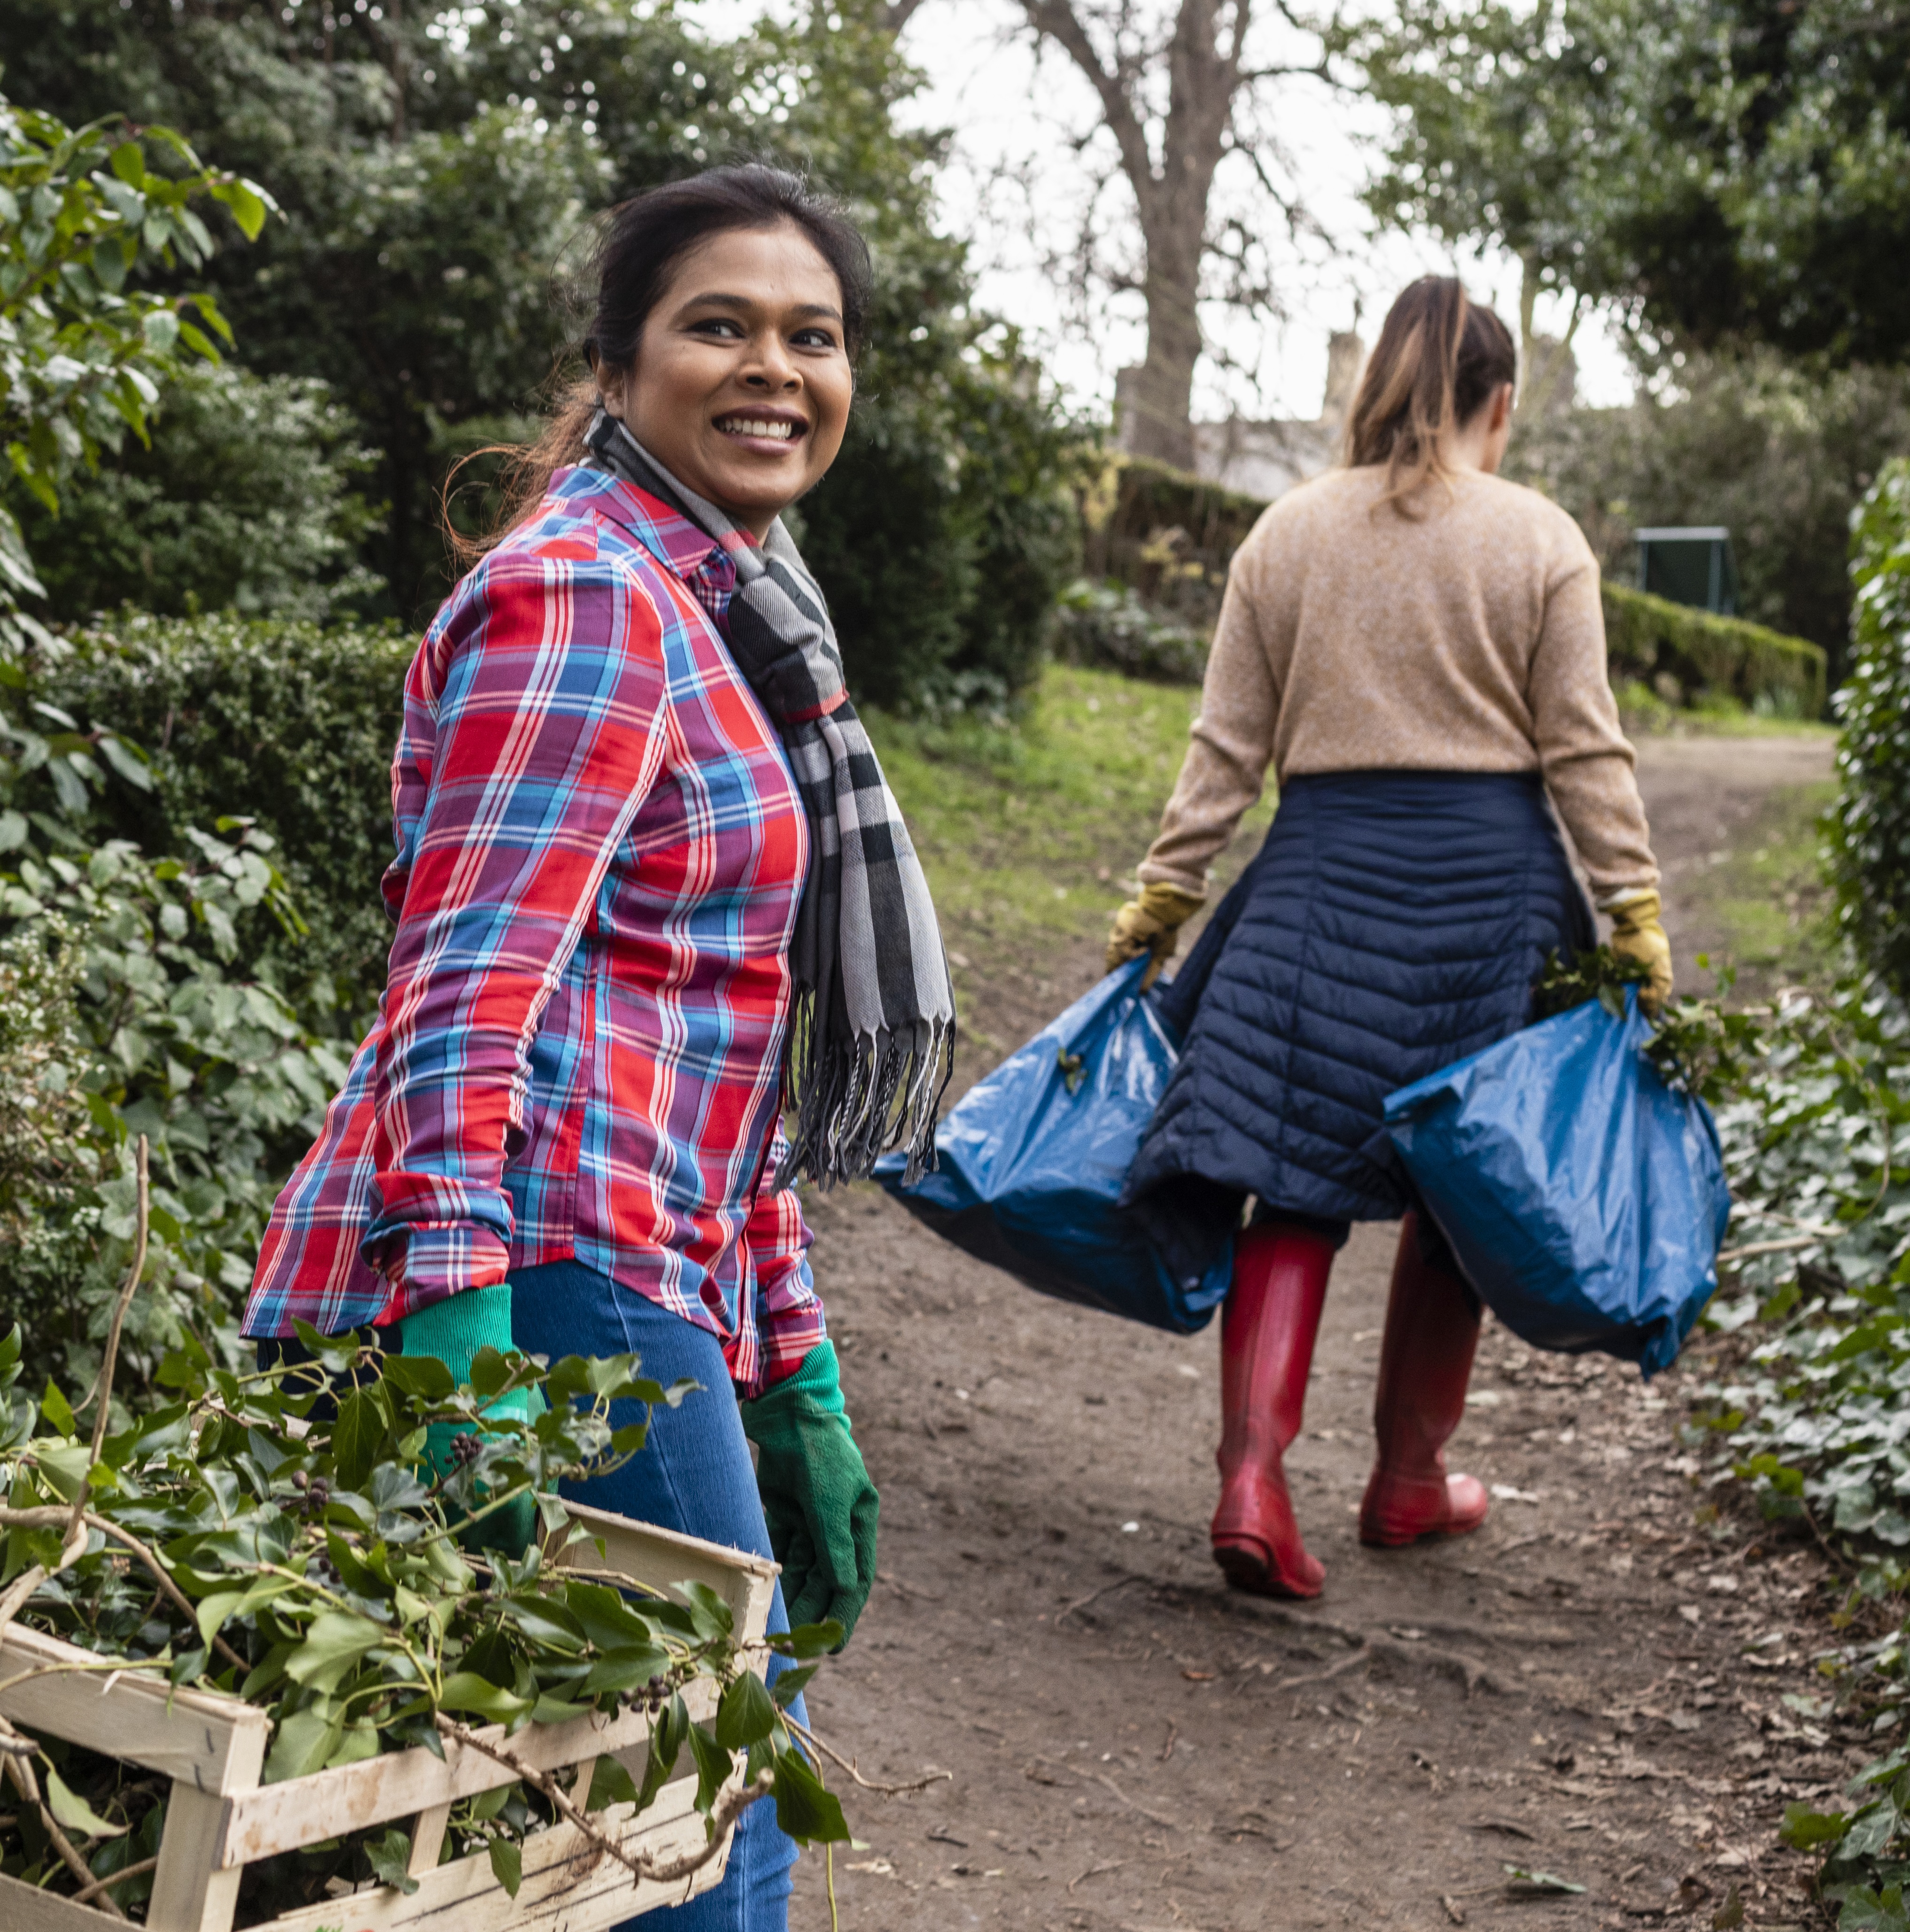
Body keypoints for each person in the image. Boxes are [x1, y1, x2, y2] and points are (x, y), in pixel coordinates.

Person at [241, 164, 955, 1926]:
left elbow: (708, 1045)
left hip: (644, 1265)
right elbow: (462, 994)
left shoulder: (738, 622)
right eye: (718, 325)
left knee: (592, 1841)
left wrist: (796, 1364)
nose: (774, 368)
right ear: (622, 361)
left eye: (815, 335)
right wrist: (466, 1331)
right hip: (555, 1279)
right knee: (700, 1842)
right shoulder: (591, 596)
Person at [1105, 276, 1668, 1601]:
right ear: (1499, 404)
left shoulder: (1286, 533)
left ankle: (1251, 1477)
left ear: (1370, 388)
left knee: (1288, 1175)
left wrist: (1163, 899)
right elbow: (1584, 747)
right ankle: (1409, 1478)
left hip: (1317, 881)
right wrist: (1634, 914)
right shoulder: (1539, 539)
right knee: (1458, 1194)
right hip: (1493, 893)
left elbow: (1224, 749)